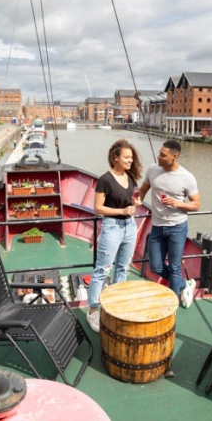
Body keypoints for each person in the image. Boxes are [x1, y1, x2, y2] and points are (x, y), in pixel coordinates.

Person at [86, 139, 143, 329]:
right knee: (103, 269)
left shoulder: (130, 178)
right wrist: (121, 211)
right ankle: (93, 310)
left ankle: (117, 303)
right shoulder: (105, 179)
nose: (130, 160)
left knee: (123, 268)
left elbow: (128, 201)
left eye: (131, 157)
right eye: (126, 157)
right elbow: (97, 208)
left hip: (130, 227)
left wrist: (134, 204)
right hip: (112, 227)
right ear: (115, 158)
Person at [140, 139, 200, 307]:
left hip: (177, 228)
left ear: (175, 156)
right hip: (157, 227)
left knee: (174, 267)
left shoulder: (187, 177)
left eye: (163, 155)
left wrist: (178, 203)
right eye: (159, 153)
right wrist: (134, 202)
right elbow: (143, 190)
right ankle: (184, 284)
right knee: (155, 267)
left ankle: (171, 304)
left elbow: (196, 204)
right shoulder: (153, 170)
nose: (158, 157)